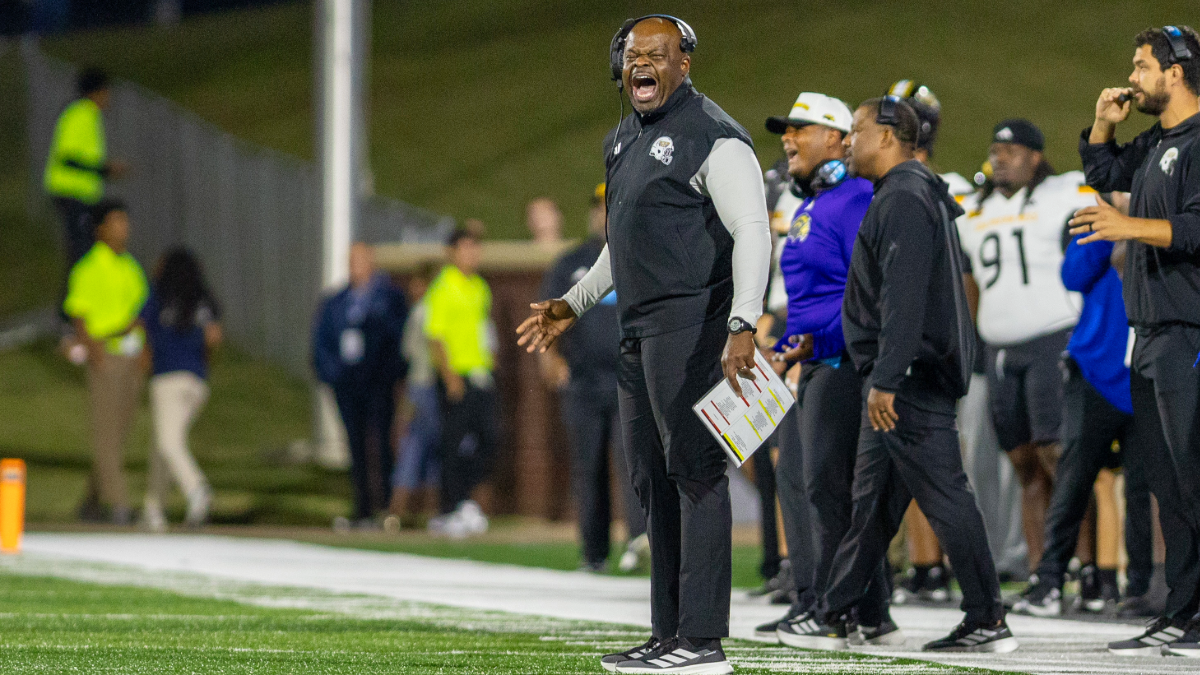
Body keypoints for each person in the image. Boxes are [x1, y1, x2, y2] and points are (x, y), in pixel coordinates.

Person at [516, 15, 770, 674]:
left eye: (657, 54)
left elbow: (752, 232)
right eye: (633, 55)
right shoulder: (623, 137)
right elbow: (618, 249)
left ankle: (703, 638)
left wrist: (743, 323)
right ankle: (667, 632)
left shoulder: (716, 137)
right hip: (639, 331)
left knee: (696, 474)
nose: (642, 65)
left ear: (685, 63)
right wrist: (571, 305)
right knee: (652, 486)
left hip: (693, 326)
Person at [782, 97, 1016, 653]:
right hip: (902, 374)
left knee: (944, 496)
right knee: (871, 504)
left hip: (907, 379)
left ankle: (987, 616)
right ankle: (837, 610)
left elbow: (904, 296)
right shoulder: (909, 191)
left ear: (887, 135)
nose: (851, 141)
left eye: (858, 131)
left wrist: (887, 376)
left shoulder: (905, 197)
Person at [749, 92, 901, 649]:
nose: (788, 138)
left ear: (838, 139)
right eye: (785, 130)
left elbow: (864, 293)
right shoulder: (815, 203)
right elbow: (814, 298)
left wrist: (814, 341)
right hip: (815, 358)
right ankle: (863, 608)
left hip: (843, 363)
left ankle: (840, 604)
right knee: (823, 488)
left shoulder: (856, 197)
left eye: (801, 129)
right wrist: (789, 345)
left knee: (830, 488)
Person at [1071, 25, 1200, 656]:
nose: (1132, 75)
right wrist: (1101, 124)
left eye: (1143, 64)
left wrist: (1128, 225)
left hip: (1190, 331)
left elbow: (1199, 230)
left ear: (1176, 72)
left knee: (1194, 478)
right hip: (1149, 334)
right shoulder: (1159, 139)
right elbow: (1104, 171)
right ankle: (1181, 613)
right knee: (1166, 482)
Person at [956, 120, 1096, 575]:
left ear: (1035, 156)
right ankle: (1041, 570)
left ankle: (1089, 566)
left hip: (1051, 338)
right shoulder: (975, 211)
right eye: (995, 150)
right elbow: (969, 279)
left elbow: (1113, 206)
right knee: (1023, 463)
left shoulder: (1063, 193)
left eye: (1011, 150)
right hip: (998, 348)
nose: (1000, 157)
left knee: (1059, 456)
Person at [1011, 224, 1154, 617]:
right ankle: (1050, 581)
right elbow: (1072, 275)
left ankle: (1141, 588)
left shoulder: (1163, 217)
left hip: (1146, 375)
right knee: (1073, 477)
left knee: (1143, 486)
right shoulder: (1099, 219)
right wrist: (1113, 229)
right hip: (1094, 372)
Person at [539, 183, 647, 574]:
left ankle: (639, 538)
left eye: (609, 206)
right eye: (599, 206)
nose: (603, 213)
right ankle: (593, 550)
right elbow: (549, 314)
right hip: (583, 381)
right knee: (588, 467)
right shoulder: (571, 261)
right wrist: (550, 359)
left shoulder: (635, 253)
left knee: (632, 461)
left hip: (628, 378)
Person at [63, 199, 148, 525]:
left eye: (125, 222)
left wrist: (144, 350)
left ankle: (91, 502)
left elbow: (142, 314)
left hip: (129, 355)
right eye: (116, 222)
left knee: (119, 434)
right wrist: (92, 349)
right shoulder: (88, 268)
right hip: (106, 355)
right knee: (106, 435)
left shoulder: (131, 267)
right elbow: (78, 313)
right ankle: (121, 505)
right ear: (100, 229)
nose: (123, 228)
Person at [313, 243, 409, 529]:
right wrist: (332, 374)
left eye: (361, 260)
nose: (355, 265)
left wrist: (387, 371)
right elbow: (322, 342)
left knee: (381, 442)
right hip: (347, 383)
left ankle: (386, 507)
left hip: (378, 382)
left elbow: (397, 339)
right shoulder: (336, 301)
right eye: (351, 260)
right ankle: (362, 507)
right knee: (354, 445)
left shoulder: (389, 298)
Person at [140, 247, 222, 531]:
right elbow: (214, 337)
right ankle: (153, 509)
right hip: (196, 382)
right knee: (162, 443)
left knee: (167, 442)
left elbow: (140, 327)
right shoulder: (202, 298)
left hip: (167, 379)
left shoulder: (158, 295)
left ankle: (197, 489)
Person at [425, 228, 498, 538]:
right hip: (457, 375)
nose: (472, 255)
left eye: (475, 249)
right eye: (465, 249)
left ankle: (465, 500)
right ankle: (450, 508)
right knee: (453, 444)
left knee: (490, 438)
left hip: (481, 374)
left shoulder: (480, 287)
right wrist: (449, 376)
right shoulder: (444, 286)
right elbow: (435, 336)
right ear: (453, 253)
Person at [44, 68, 128, 279]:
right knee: (81, 251)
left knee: (83, 248)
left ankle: (75, 303)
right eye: (106, 91)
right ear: (96, 92)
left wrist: (103, 171)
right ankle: (73, 306)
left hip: (80, 194)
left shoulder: (87, 114)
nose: (108, 97)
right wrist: (104, 169)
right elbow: (68, 157)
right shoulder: (82, 113)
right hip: (72, 192)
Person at [389, 261, 442, 526]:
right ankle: (429, 512)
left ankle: (398, 511)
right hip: (428, 386)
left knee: (415, 447)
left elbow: (408, 352)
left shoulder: (423, 311)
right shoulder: (430, 311)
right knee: (428, 449)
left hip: (421, 385)